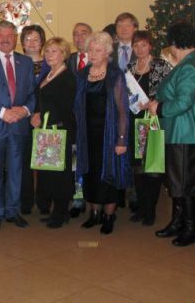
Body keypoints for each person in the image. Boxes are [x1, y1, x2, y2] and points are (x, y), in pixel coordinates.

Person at [149, 22, 195, 247]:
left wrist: (159, 108)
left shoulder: (190, 66)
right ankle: (177, 222)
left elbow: (184, 102)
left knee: (186, 185)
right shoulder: (188, 63)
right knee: (177, 182)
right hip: (178, 132)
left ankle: (191, 229)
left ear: (174, 43)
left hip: (185, 133)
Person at [0, 20, 36, 233]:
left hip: (18, 125)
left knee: (16, 170)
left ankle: (12, 210)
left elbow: (32, 94)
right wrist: (3, 112)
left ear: (15, 38)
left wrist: (25, 110)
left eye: (9, 35)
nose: (5, 39)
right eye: (1, 35)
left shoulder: (26, 62)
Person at [74, 31, 130, 235]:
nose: (93, 54)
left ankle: (108, 216)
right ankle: (94, 213)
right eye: (90, 50)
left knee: (109, 175)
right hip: (87, 135)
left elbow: (123, 110)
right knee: (91, 174)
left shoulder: (115, 74)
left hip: (109, 134)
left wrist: (121, 139)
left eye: (98, 50)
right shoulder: (82, 74)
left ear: (107, 52)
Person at [30, 37, 77, 228]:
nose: (49, 55)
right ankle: (56, 211)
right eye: (47, 51)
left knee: (61, 175)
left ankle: (60, 213)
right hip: (48, 131)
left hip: (60, 130)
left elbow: (65, 108)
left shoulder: (67, 77)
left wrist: (42, 117)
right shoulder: (48, 74)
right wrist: (35, 115)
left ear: (64, 54)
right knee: (49, 173)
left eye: (54, 51)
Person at [126, 31, 172, 226]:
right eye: (136, 46)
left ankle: (150, 210)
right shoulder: (129, 68)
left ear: (150, 46)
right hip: (134, 120)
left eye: (143, 45)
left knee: (152, 166)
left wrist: (154, 101)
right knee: (137, 167)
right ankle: (141, 208)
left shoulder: (161, 65)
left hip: (153, 120)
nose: (139, 49)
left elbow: (171, 91)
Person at [19, 24, 47, 215]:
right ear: (22, 43)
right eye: (28, 39)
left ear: (42, 42)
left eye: (36, 39)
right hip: (22, 118)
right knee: (24, 162)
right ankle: (26, 202)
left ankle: (44, 202)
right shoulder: (17, 63)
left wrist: (40, 114)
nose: (32, 42)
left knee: (45, 161)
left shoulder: (50, 63)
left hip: (44, 119)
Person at [66, 22, 93, 218]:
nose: (79, 37)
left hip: (92, 120)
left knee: (91, 159)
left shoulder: (99, 59)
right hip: (72, 121)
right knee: (75, 160)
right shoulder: (68, 60)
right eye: (75, 34)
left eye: (83, 33)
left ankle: (94, 198)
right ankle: (78, 199)